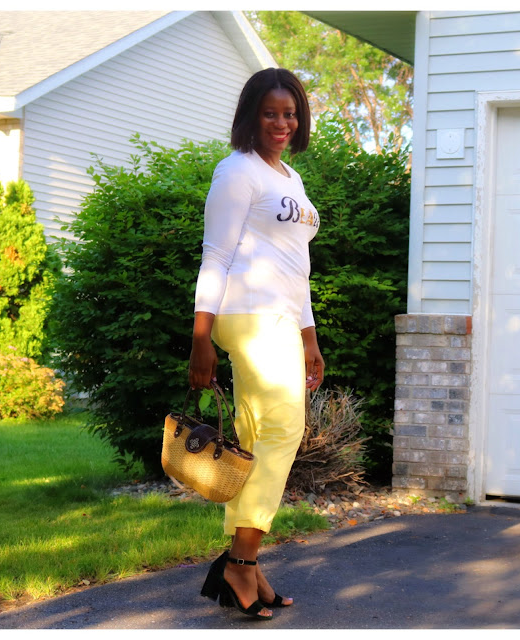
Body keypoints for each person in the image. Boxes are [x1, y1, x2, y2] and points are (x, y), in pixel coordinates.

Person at [189, 67, 324, 620]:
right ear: (251, 115)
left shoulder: (289, 177)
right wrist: (201, 337)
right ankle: (240, 562)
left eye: (290, 113)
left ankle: (241, 563)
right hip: (247, 313)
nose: (282, 123)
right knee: (283, 428)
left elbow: (297, 267)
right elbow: (216, 255)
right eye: (271, 113)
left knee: (255, 437)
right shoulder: (237, 171)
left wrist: (309, 337)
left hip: (282, 317)